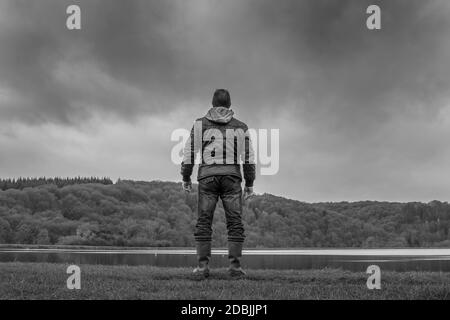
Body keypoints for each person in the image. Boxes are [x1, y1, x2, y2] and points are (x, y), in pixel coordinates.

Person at [181, 89, 255, 278]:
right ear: (229, 105)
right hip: (232, 178)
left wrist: (186, 177)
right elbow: (248, 158)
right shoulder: (241, 127)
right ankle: (235, 268)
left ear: (212, 104)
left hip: (207, 177)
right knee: (235, 222)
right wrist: (249, 183)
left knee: (204, 221)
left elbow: (189, 153)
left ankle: (202, 267)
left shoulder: (199, 124)